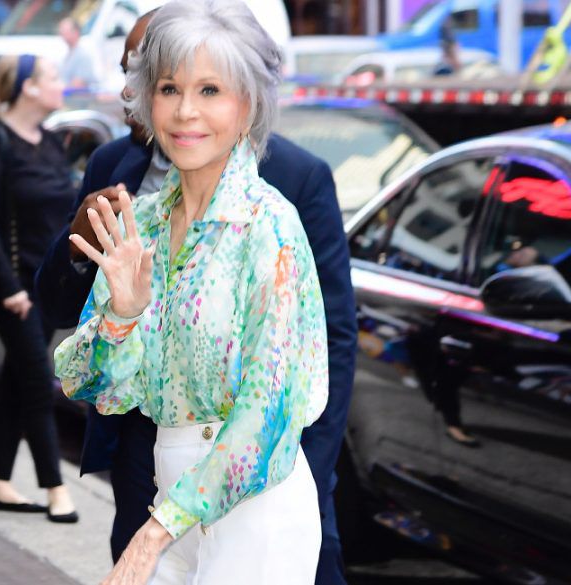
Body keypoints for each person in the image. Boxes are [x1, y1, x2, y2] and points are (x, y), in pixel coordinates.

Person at [36, 8, 357, 585]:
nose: (186, 111)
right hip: (167, 489)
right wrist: (121, 319)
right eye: (169, 89)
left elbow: (267, 414)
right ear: (145, 102)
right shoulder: (148, 223)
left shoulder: (270, 227)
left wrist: (152, 534)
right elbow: (87, 383)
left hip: (253, 505)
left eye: (210, 90)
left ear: (247, 106)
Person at [0, 54, 78, 523]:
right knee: (35, 381)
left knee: (16, 379)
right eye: (53, 77)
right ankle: (55, 489)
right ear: (29, 87)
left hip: (44, 283)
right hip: (7, 287)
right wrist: (11, 287)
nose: (60, 85)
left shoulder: (51, 142)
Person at [57, 17, 100, 90]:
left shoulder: (83, 55)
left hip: (77, 99)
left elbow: (78, 83)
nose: (61, 33)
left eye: (64, 30)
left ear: (76, 32)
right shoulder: (68, 54)